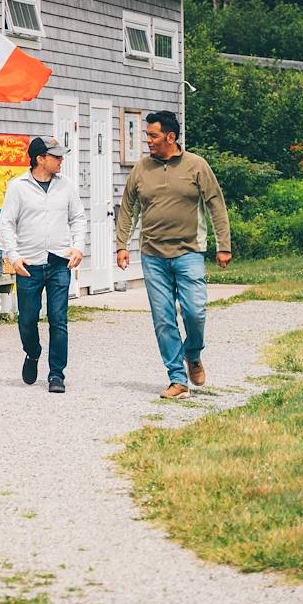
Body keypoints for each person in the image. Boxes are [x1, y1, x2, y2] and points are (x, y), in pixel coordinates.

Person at [115, 109, 232, 400]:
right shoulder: (142, 168)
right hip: (152, 254)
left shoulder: (196, 166)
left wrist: (223, 245)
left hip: (189, 251)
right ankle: (177, 379)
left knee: (195, 311)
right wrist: (121, 245)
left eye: (153, 135)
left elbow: (215, 204)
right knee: (164, 319)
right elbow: (128, 208)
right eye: (147, 136)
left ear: (170, 136)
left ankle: (193, 353)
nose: (148, 141)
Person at [0, 136, 86, 393]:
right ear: (40, 159)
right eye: (56, 157)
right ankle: (32, 353)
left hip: (59, 261)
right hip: (28, 263)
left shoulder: (66, 186)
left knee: (58, 319)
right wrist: (13, 256)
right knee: (27, 319)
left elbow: (78, 218)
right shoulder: (18, 187)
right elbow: (7, 223)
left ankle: (56, 374)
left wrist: (78, 247)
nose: (61, 160)